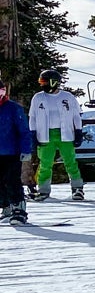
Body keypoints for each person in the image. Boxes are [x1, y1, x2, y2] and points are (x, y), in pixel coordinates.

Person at [28, 68, 85, 200]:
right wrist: (33, 134)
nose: (42, 84)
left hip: (65, 134)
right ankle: (43, 190)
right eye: (41, 81)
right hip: (45, 135)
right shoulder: (38, 98)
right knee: (45, 163)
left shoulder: (68, 97)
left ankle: (77, 188)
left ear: (53, 82)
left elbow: (76, 115)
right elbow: (33, 117)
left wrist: (78, 131)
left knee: (70, 161)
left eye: (44, 81)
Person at [0, 81, 31, 224]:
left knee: (12, 181)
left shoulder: (13, 109)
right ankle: (6, 206)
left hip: (12, 152)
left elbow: (24, 131)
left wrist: (26, 150)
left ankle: (19, 209)